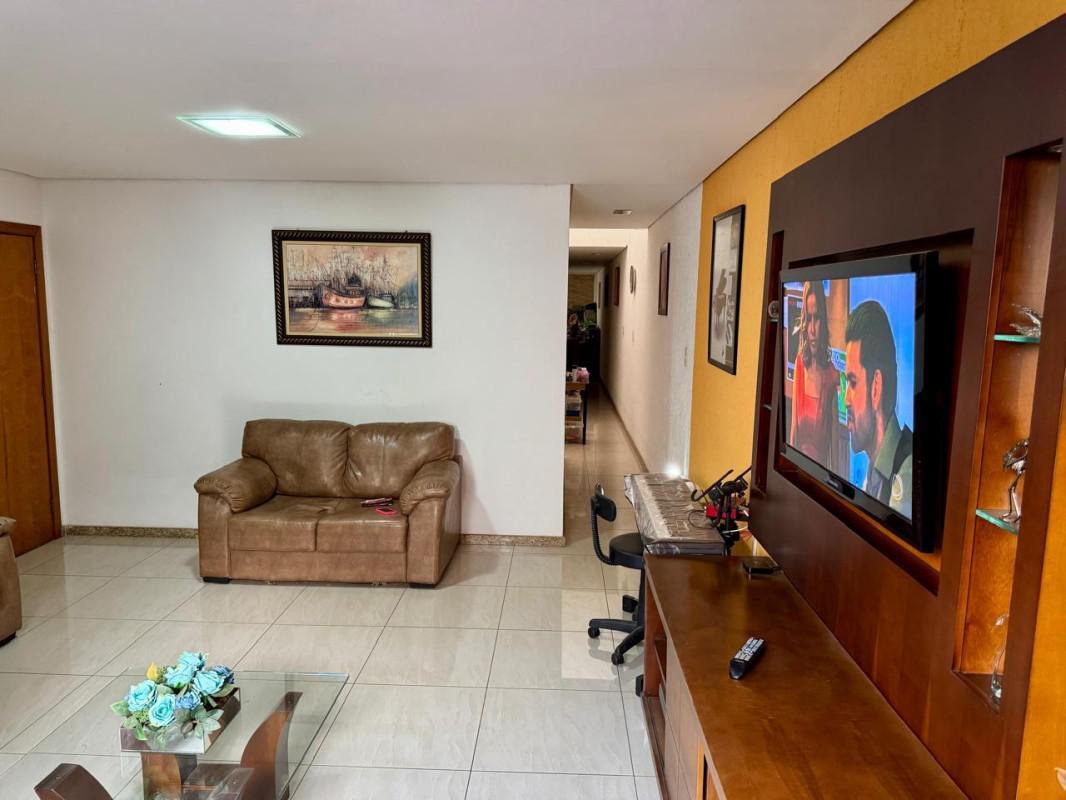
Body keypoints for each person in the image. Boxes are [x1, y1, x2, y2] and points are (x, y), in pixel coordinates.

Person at [843, 300, 912, 517]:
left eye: (853, 382)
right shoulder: (875, 471)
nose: (846, 400)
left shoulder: (907, 475)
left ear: (876, 387)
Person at [789, 281, 840, 468]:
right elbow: (793, 435)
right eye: (808, 318)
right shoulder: (799, 364)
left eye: (816, 318)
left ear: (823, 322)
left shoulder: (832, 376)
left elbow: (835, 458)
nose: (812, 329)